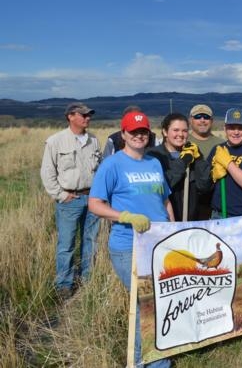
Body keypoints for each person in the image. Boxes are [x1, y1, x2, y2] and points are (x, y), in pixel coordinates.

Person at [89, 111, 173, 368]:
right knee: (145, 302)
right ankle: (144, 361)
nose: (139, 136)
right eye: (133, 132)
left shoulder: (154, 163)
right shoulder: (112, 164)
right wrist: (124, 215)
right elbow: (94, 204)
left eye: (143, 132)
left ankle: (154, 355)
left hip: (158, 243)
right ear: (123, 134)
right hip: (129, 245)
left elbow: (165, 200)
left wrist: (172, 228)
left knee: (160, 299)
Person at [40, 102, 102, 300]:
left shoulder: (93, 140)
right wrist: (61, 195)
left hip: (92, 197)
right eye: (83, 115)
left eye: (89, 115)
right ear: (70, 116)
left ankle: (87, 280)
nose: (87, 118)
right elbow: (47, 172)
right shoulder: (55, 141)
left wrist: (99, 195)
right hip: (70, 199)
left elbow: (99, 169)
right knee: (66, 244)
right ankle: (64, 284)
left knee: (90, 241)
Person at [147, 113, 212, 221]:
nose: (181, 134)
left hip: (191, 221)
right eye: (176, 130)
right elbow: (162, 186)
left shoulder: (193, 152)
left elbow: (204, 186)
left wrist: (199, 159)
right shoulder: (153, 156)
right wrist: (183, 161)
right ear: (165, 132)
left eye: (184, 131)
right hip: (164, 222)